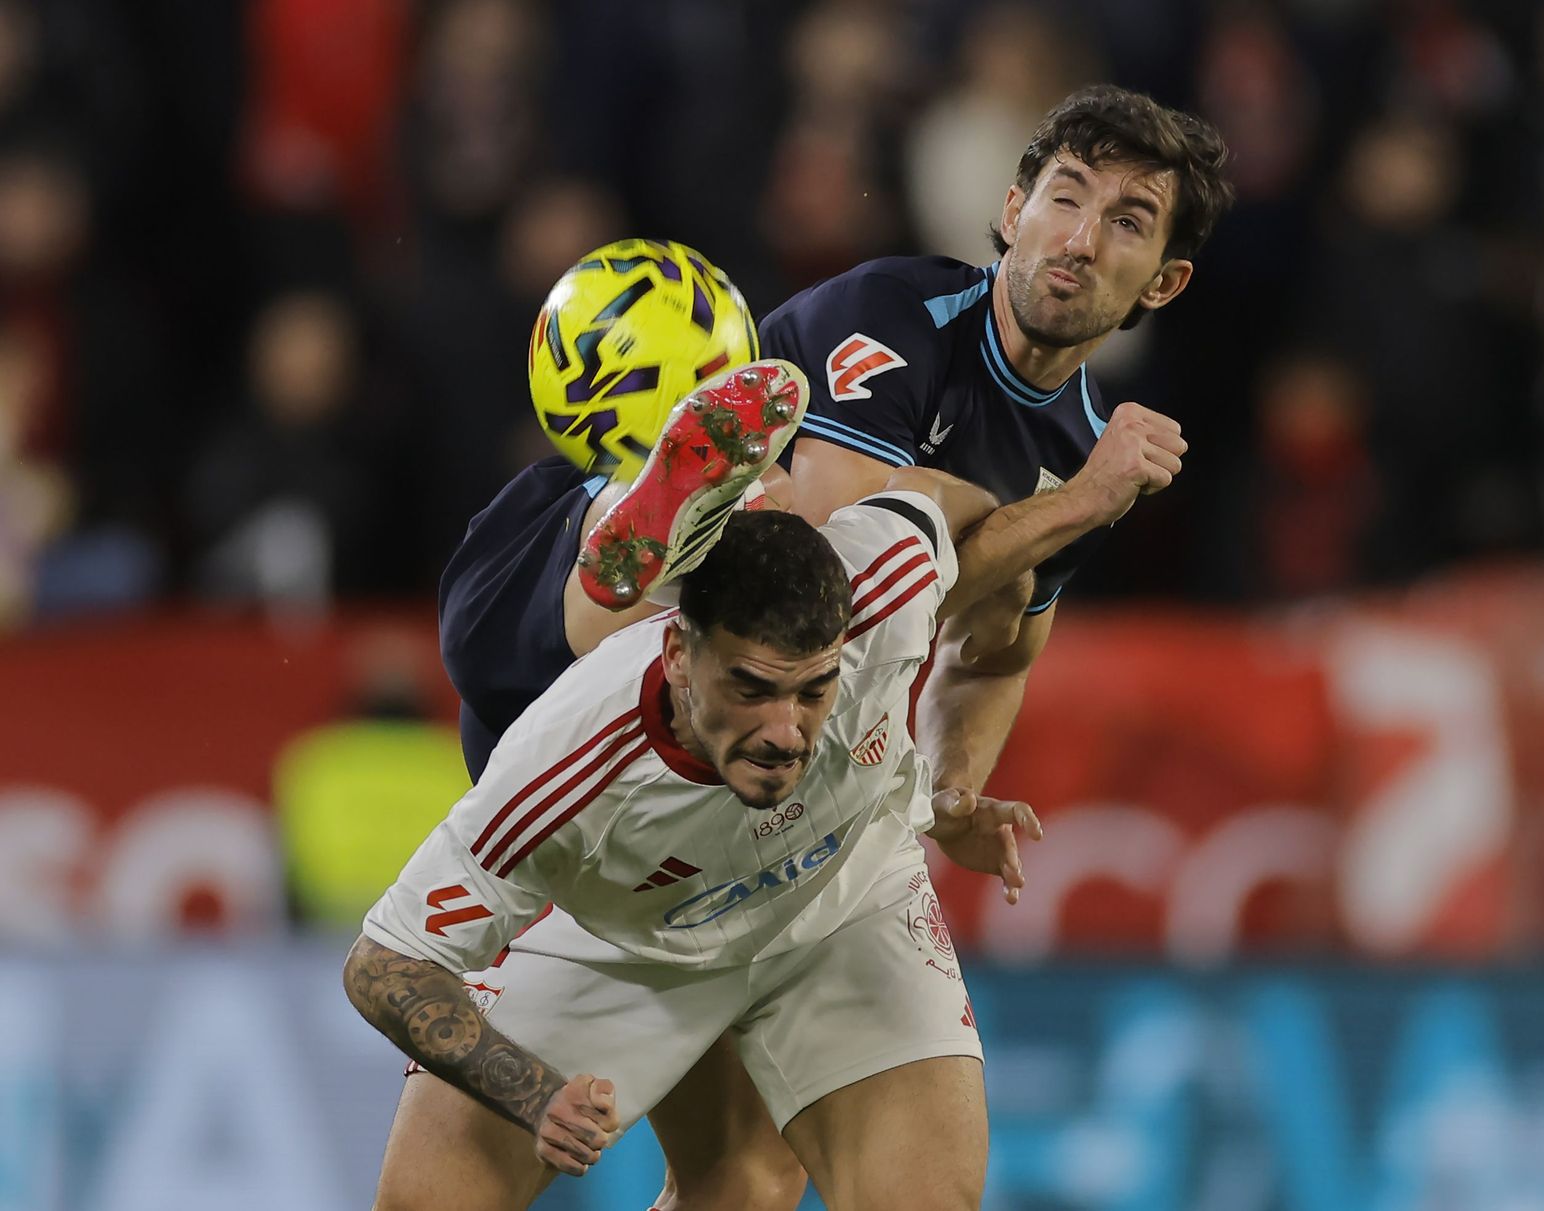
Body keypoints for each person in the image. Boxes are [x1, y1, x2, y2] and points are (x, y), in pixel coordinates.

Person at [434, 83, 1233, 1209]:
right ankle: (645, 510)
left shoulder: (1083, 449)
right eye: (1064, 197)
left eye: (1127, 222)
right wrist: (1069, 509)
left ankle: (659, 520)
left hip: (714, 789)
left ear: (1163, 281)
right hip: (568, 634)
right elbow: (822, 580)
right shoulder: (894, 318)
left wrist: (953, 789)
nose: (1080, 237)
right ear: (1009, 208)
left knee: (747, 1179)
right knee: (714, 564)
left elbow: (997, 650)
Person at [347, 460, 1031, 1210]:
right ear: (677, 655)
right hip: (627, 941)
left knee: (793, 1192)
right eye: (751, 688)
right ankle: (584, 525)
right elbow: (384, 962)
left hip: (845, 898)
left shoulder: (884, 581)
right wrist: (535, 1093)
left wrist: (1066, 527)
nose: (785, 733)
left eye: (813, 691)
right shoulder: (565, 762)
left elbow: (947, 499)